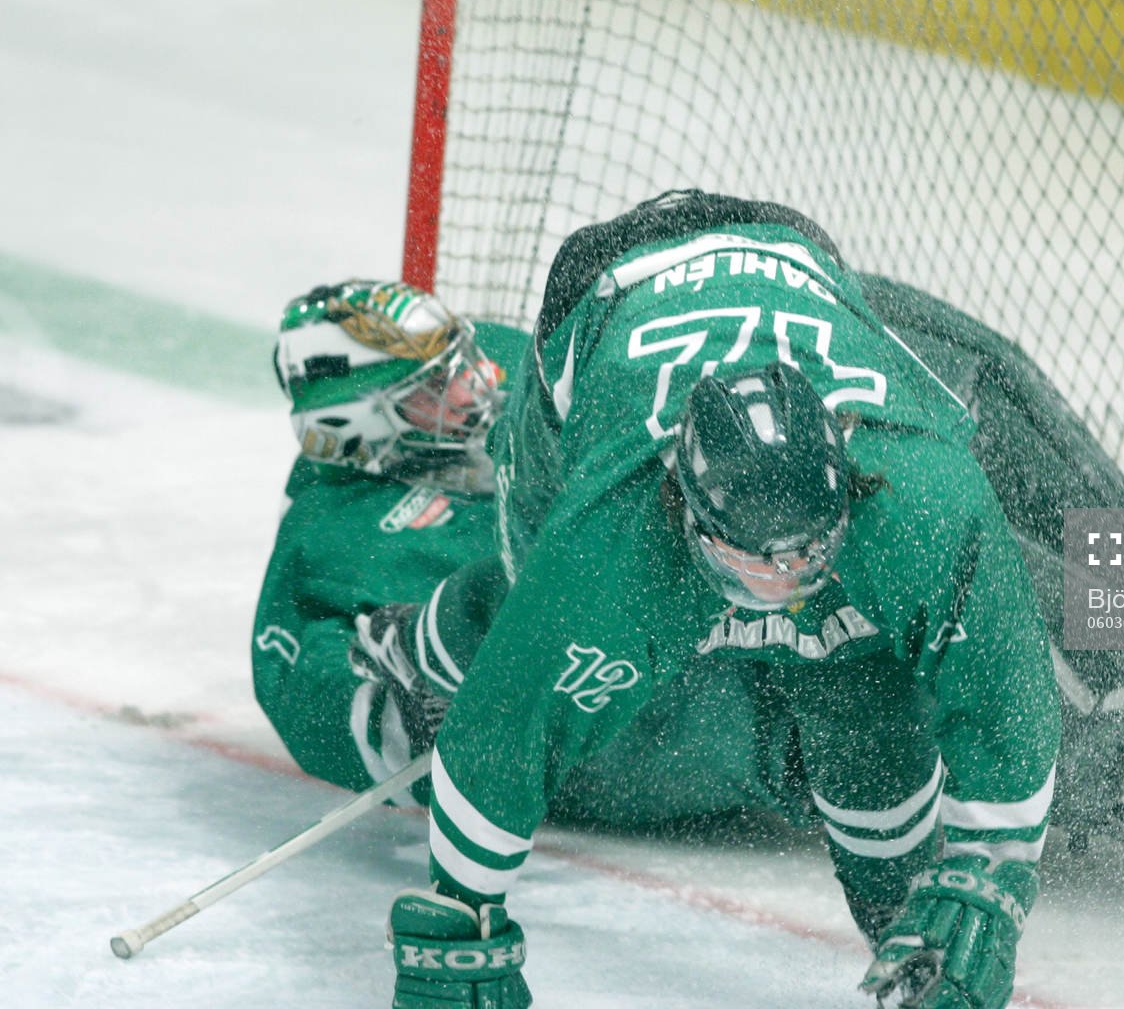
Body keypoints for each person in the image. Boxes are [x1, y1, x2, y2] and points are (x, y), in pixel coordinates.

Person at [382, 191, 1063, 1009]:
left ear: (848, 477)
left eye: (810, 551)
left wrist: (981, 876)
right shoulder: (609, 535)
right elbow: (507, 731)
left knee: (860, 681)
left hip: (790, 250)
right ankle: (430, 645)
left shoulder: (925, 499)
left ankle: (898, 928)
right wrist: (462, 912)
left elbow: (1004, 694)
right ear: (685, 513)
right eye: (756, 562)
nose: (787, 583)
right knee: (537, 626)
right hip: (595, 300)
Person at [253, 279, 800, 828]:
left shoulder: (501, 361)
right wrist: (417, 706)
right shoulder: (332, 539)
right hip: (614, 697)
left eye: (462, 361)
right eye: (434, 388)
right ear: (353, 428)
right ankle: (804, 750)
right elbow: (309, 698)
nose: (477, 386)